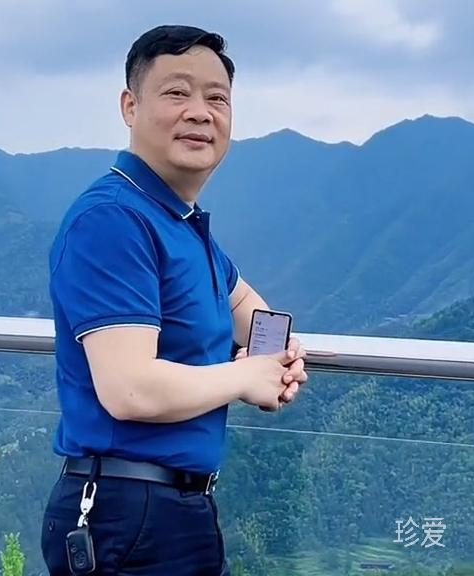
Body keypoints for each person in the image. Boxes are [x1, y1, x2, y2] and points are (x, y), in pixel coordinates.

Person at [41, 24, 308, 576]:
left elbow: (248, 306)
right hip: (126, 516)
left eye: (217, 98)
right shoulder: (114, 219)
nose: (200, 112)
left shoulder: (178, 221)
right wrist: (245, 376)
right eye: (176, 92)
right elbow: (130, 389)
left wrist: (279, 357)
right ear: (130, 106)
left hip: (173, 513)